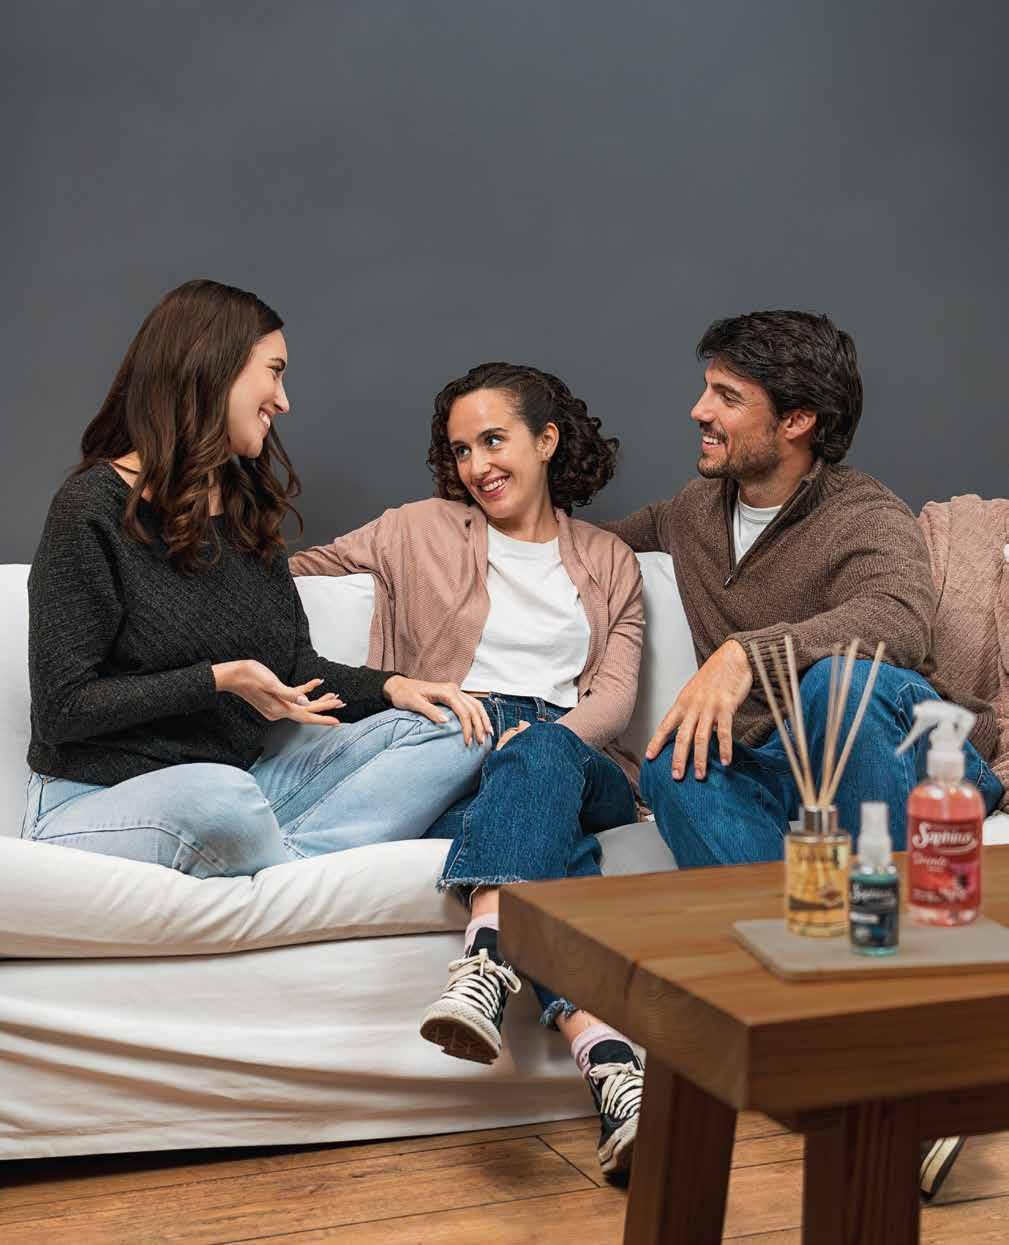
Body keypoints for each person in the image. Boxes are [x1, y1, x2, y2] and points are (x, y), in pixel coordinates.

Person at [290, 361, 646, 1180]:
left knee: (533, 752)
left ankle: (488, 962)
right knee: (530, 834)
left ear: (547, 439)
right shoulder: (413, 528)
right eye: (460, 449)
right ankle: (609, 1061)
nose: (477, 465)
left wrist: (530, 738)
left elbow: (615, 700)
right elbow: (279, 584)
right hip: (452, 756)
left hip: (576, 754)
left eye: (494, 440)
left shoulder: (608, 559)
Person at [23, 279, 490, 877]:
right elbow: (64, 709)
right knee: (222, 802)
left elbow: (294, 668)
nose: (284, 399)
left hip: (251, 788)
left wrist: (397, 687)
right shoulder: (91, 507)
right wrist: (219, 679)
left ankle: (281, 865)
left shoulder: (243, 506)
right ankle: (284, 856)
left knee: (454, 729)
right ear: (213, 369)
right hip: (105, 799)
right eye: (274, 371)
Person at [603, 309, 1004, 863]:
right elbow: (588, 544)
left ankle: (881, 904)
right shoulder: (694, 511)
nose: (700, 411)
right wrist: (476, 514)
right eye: (706, 390)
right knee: (672, 762)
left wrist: (746, 655)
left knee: (839, 684)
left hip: (896, 748)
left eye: (728, 397)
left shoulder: (865, 513)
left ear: (796, 421)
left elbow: (898, 623)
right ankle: (789, 926)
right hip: (777, 761)